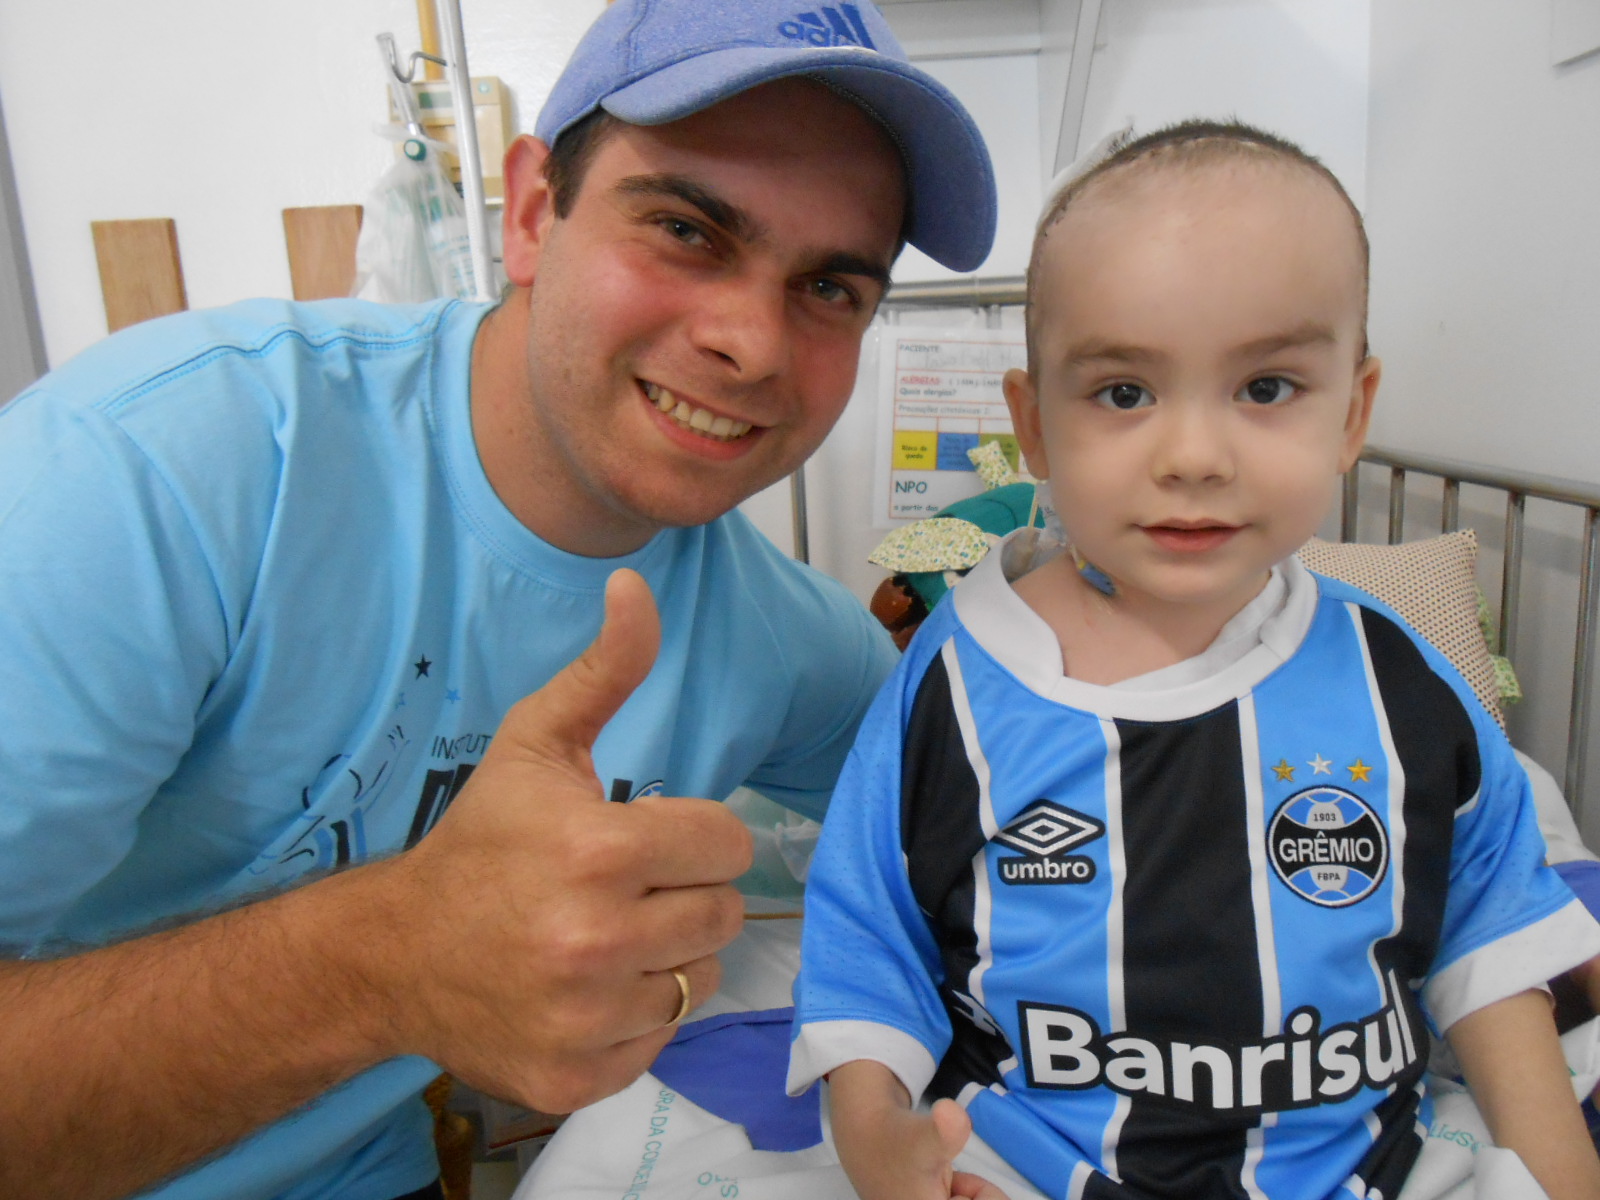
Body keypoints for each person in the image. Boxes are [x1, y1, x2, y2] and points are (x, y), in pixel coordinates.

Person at [0, 2, 997, 1198]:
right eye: (685, 228)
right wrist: (386, 962)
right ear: (532, 212)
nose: (752, 343)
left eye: (830, 287)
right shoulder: (162, 475)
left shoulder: (783, 640)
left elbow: (1009, 834)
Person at [789, 121, 1600, 1200]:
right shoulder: (952, 687)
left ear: (1351, 412)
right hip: (1027, 1168)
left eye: (1266, 388)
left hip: (1363, 1168)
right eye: (1123, 392)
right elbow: (865, 941)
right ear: (1034, 428)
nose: (1194, 458)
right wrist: (877, 1145)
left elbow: (1488, 943)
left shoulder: (1396, 682)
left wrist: (1560, 1176)